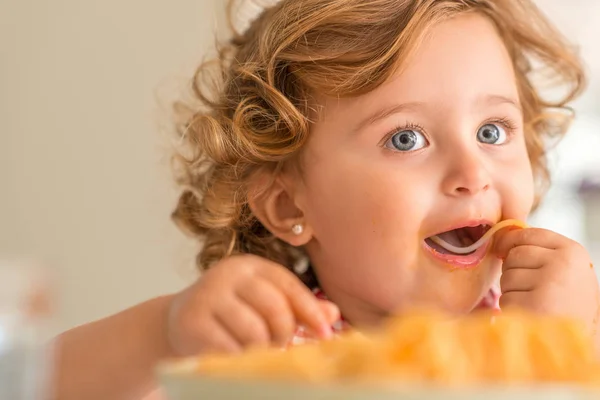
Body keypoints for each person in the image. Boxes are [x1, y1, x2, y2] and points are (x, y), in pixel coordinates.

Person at [53, 0, 598, 399]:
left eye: (493, 131)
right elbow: (34, 383)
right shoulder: (266, 356)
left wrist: (572, 349)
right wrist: (162, 334)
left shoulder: (552, 330)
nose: (472, 172)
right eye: (406, 138)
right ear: (290, 206)